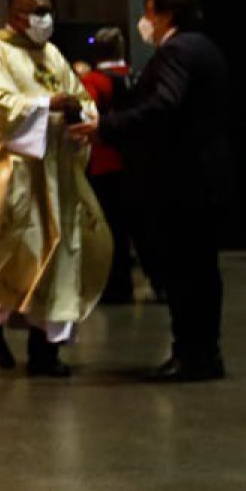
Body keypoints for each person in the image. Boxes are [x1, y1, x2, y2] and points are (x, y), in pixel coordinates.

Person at [0, 0, 111, 377]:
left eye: (48, 11)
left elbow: (77, 95)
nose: (45, 20)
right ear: (15, 15)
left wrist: (78, 113)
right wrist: (44, 105)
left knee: (59, 260)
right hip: (13, 173)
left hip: (56, 173)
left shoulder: (51, 54)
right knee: (11, 251)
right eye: (37, 12)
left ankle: (45, 351)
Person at [77, 0, 234, 382]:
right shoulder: (206, 47)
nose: (144, 23)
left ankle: (190, 355)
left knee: (183, 271)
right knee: (201, 270)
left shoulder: (177, 51)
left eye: (148, 14)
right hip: (207, 173)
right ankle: (205, 352)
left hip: (182, 179)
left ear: (165, 15)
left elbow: (163, 104)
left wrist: (106, 128)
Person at [81, 28, 138, 306]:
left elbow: (85, 112)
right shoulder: (136, 76)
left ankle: (116, 287)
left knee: (112, 229)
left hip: (105, 162)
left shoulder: (93, 80)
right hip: (139, 160)